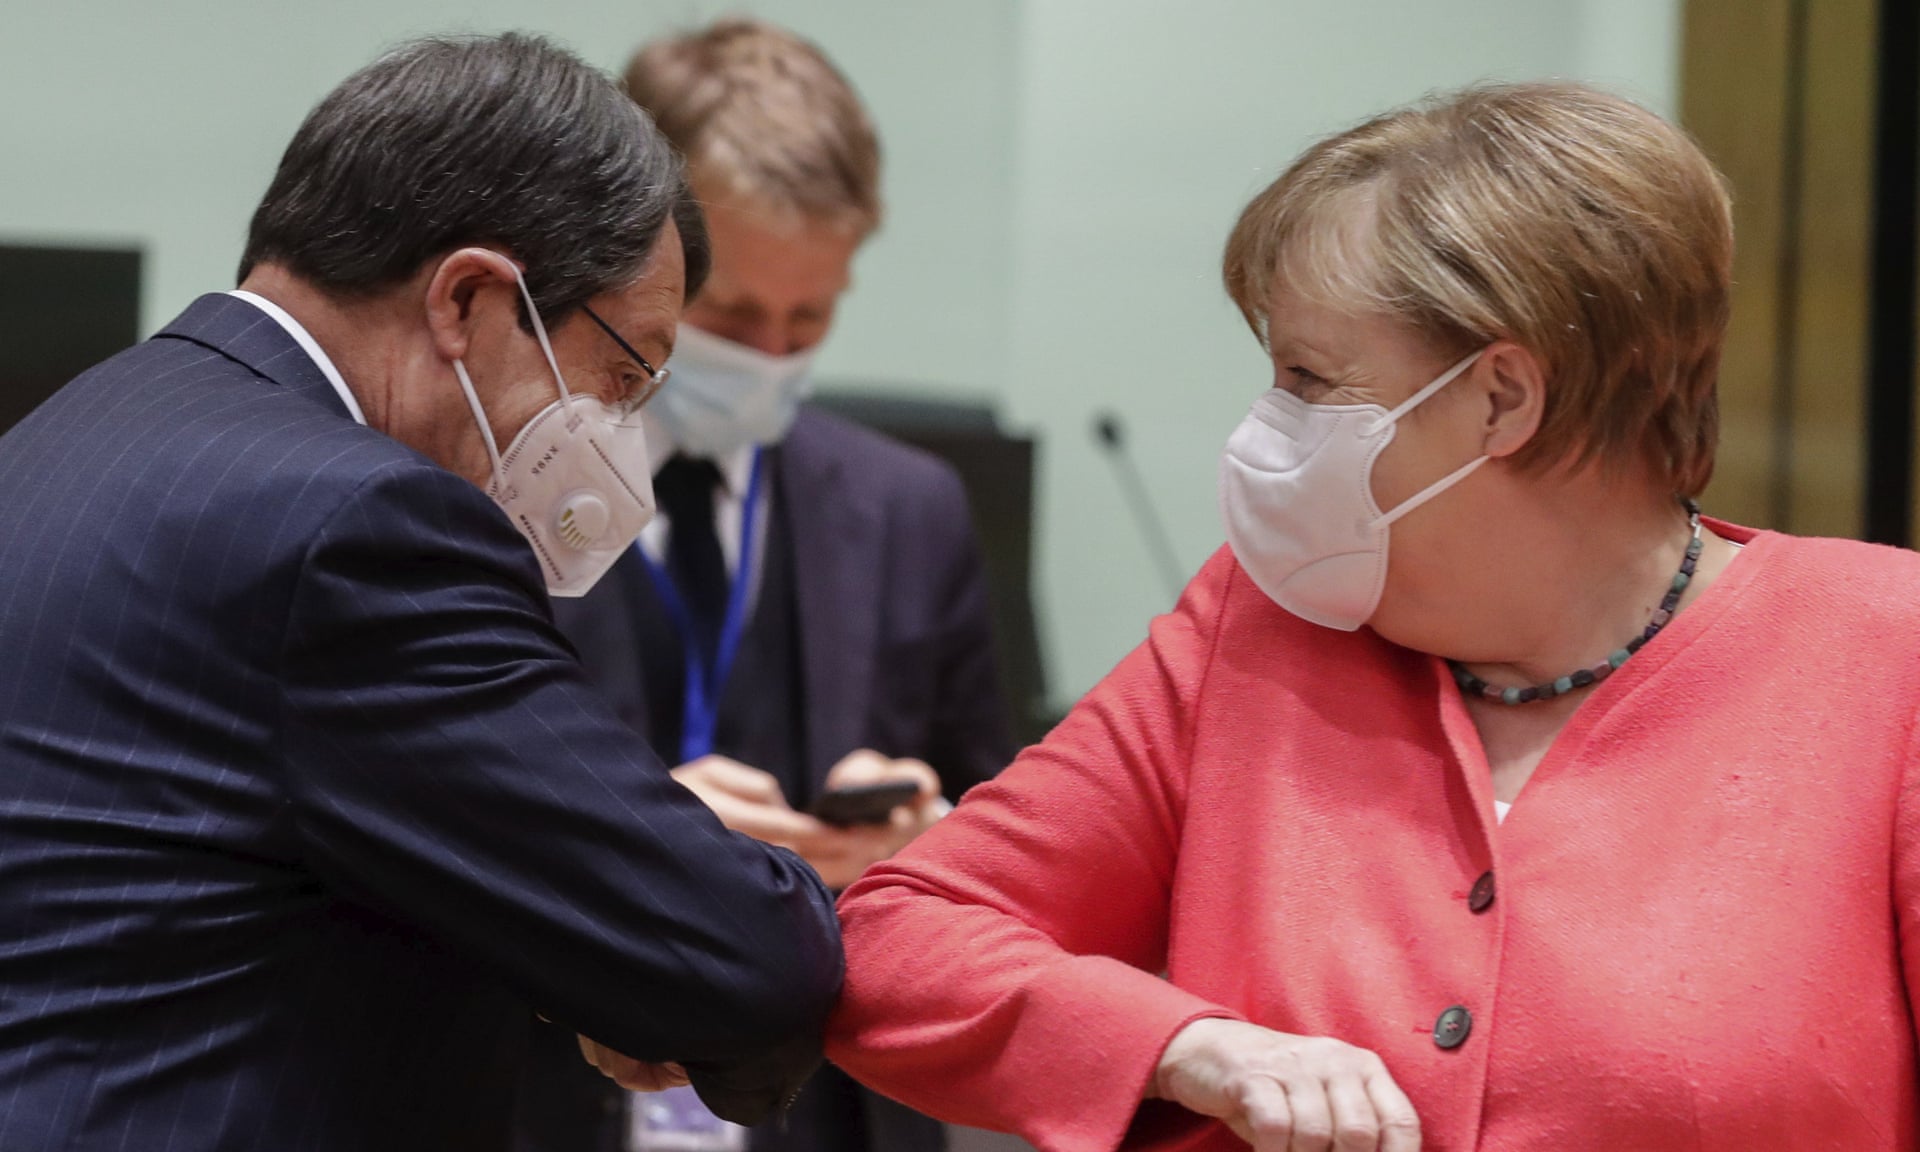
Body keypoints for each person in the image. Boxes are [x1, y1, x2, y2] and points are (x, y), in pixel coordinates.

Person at [826, 81, 1920, 1152]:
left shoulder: (1886, 655)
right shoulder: (1255, 629)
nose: (1268, 425)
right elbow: (896, 940)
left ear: (1502, 399)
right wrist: (1188, 1046)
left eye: (1309, 378)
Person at [0, 33, 842, 1152]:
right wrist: (664, 909)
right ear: (468, 299)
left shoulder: (78, 428)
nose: (615, 433)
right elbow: (746, 962)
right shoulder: (361, 525)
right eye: (623, 374)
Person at [512, 19, 1012, 1152]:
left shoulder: (911, 510)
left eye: (810, 319)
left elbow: (1008, 845)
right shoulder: (482, 490)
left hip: (829, 1110)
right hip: (535, 1100)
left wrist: (923, 842)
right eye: (732, 317)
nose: (771, 359)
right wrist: (628, 839)